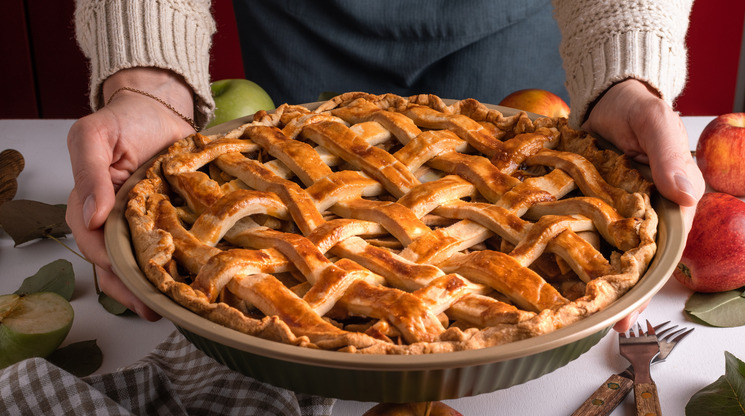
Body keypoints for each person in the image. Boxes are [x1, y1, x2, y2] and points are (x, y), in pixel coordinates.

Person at [66, 0, 704, 330]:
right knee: (287, 225)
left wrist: (624, 76)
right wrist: (148, 81)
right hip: (302, 87)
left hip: (519, 110)